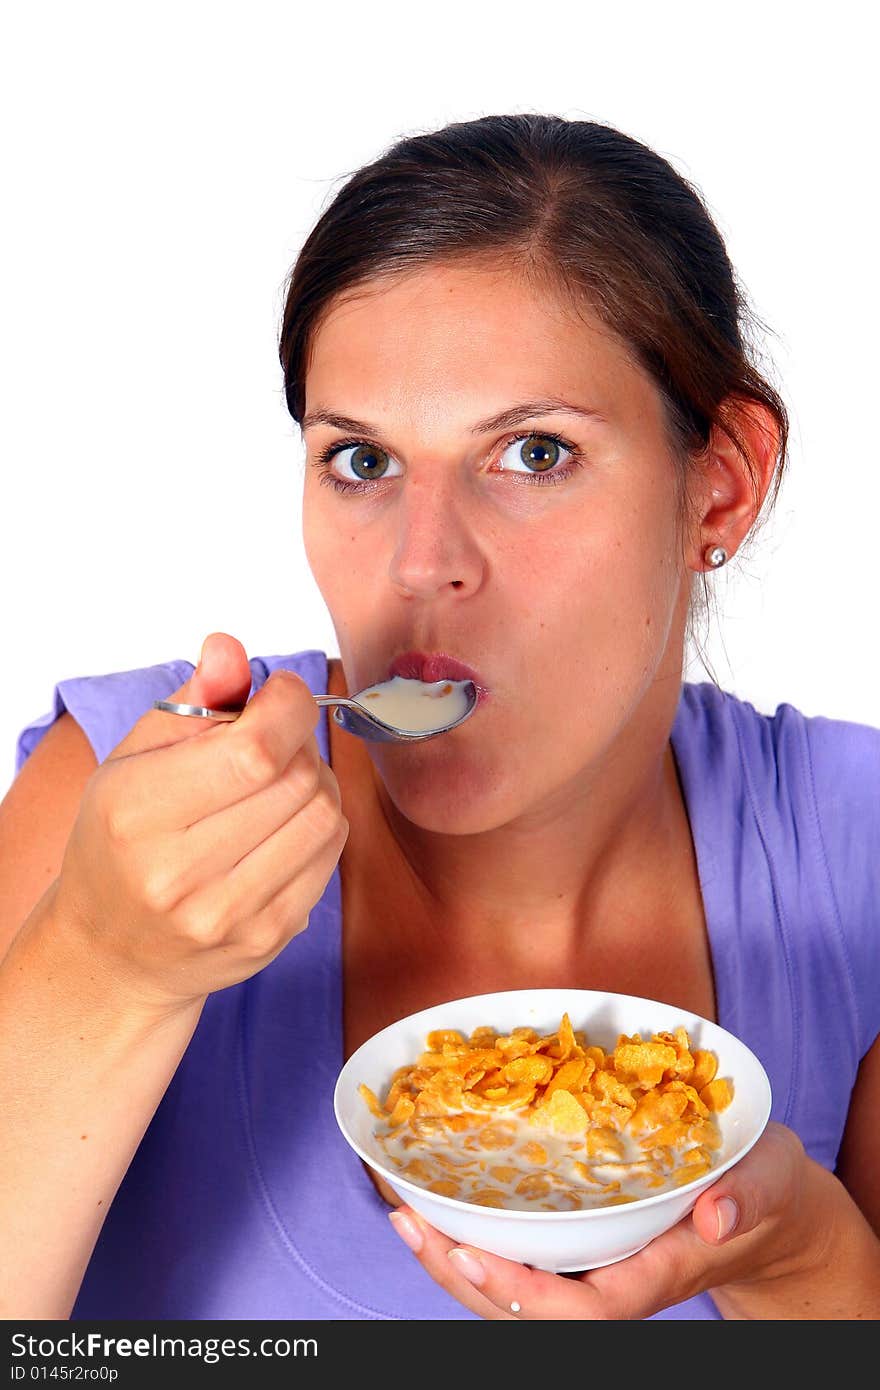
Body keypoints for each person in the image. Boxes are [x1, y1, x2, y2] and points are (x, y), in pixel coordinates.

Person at [1, 113, 878, 1323]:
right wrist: (102, 967)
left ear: (719, 481)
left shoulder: (858, 847)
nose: (420, 566)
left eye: (532, 452)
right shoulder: (113, 801)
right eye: (360, 462)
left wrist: (799, 1263)